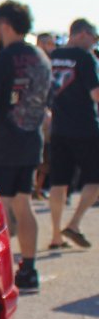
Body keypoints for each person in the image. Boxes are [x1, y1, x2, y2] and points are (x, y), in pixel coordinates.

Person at [0, 0, 51, 291]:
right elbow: (18, 88)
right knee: (23, 204)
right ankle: (29, 269)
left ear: (5, 25)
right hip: (30, 142)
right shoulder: (40, 58)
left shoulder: (0, 60)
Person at [44, 18, 99, 250]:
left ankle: (56, 235)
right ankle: (74, 224)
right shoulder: (85, 58)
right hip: (85, 127)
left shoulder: (53, 57)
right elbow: (96, 93)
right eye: (93, 37)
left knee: (59, 182)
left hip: (59, 127)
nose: (94, 42)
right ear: (81, 34)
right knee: (95, 179)